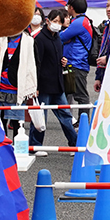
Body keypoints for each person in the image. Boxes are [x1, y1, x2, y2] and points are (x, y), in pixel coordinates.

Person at [31, 9, 77, 149]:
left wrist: (63, 61)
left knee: (66, 116)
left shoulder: (57, 37)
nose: (57, 24)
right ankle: (35, 146)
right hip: (44, 85)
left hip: (58, 84)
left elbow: (56, 57)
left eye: (59, 21)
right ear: (48, 21)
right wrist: (36, 87)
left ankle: (75, 144)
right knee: (40, 118)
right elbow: (37, 63)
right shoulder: (39, 39)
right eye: (55, 21)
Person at [60, 0, 93, 118]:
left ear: (71, 7)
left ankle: (83, 121)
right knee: (70, 93)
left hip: (77, 63)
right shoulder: (83, 21)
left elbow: (61, 37)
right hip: (75, 62)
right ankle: (74, 120)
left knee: (80, 95)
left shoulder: (79, 22)